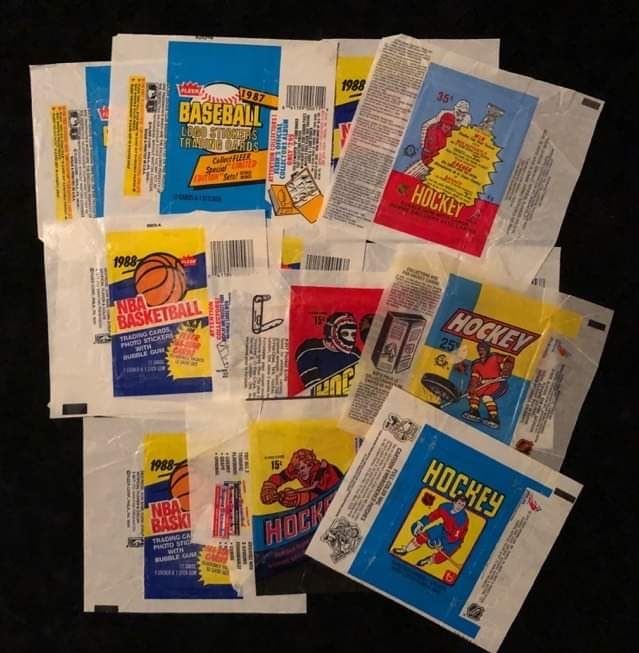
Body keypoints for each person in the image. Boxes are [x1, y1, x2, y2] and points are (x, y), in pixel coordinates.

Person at [393, 494, 469, 567]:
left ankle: (429, 560)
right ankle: (405, 550)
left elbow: (455, 536)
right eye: (459, 503)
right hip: (444, 529)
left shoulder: (462, 519)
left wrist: (440, 543)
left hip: (454, 541)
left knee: (441, 556)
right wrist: (421, 523)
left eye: (462, 505)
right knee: (425, 535)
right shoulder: (445, 507)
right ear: (454, 502)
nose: (459, 507)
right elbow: (434, 515)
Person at [295, 312, 360, 389]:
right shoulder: (310, 350)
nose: (351, 339)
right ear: (332, 332)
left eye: (353, 334)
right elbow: (315, 389)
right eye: (345, 334)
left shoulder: (355, 354)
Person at [260, 449, 343, 508]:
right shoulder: (297, 467)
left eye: (302, 468)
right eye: (297, 470)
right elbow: (282, 476)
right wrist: (270, 486)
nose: (300, 472)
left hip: (335, 497)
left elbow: (318, 496)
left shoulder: (321, 473)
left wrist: (298, 498)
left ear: (310, 464)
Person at [463, 342, 514, 429]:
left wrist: (506, 369)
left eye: (483, 350)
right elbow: (474, 378)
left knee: (486, 397)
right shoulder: (476, 363)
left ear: (487, 350)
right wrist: (471, 387)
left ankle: (494, 418)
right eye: (479, 350)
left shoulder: (495, 356)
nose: (481, 352)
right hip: (485, 384)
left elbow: (510, 359)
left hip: (497, 382)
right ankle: (474, 412)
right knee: (472, 394)